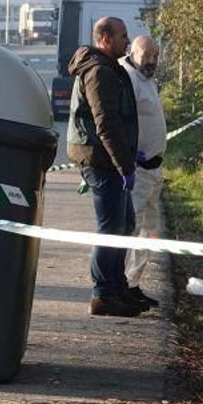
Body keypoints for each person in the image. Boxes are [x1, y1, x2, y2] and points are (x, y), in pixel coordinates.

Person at [66, 16, 150, 317]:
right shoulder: (99, 72)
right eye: (122, 36)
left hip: (111, 159)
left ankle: (117, 287)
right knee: (110, 227)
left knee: (124, 224)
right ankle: (102, 294)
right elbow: (106, 124)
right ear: (105, 39)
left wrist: (129, 157)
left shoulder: (108, 67)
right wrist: (124, 165)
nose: (127, 41)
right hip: (102, 161)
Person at [120, 36, 166, 308]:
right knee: (130, 229)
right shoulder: (128, 78)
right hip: (136, 171)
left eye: (156, 56)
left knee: (149, 231)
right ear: (133, 52)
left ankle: (133, 283)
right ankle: (118, 286)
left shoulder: (149, 79)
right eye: (146, 55)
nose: (151, 61)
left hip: (154, 170)